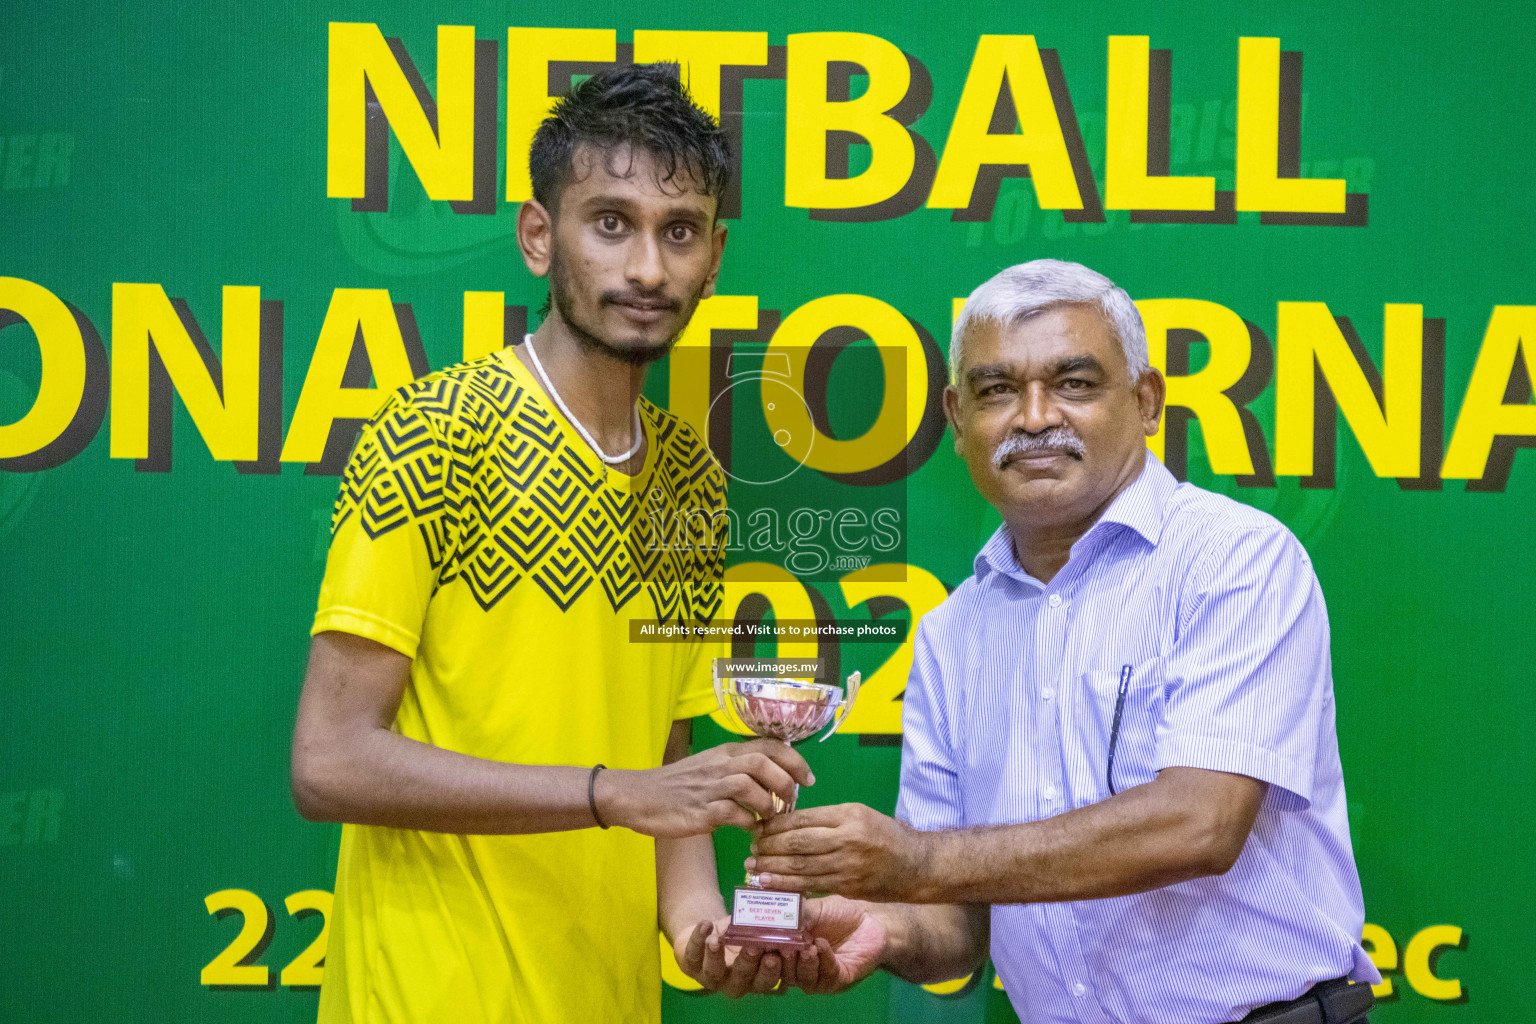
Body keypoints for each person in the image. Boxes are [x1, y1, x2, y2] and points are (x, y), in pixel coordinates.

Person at [290, 63, 810, 1024]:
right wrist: (613, 794)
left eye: (679, 231)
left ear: (715, 256)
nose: (648, 268)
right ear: (540, 237)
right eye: (610, 222)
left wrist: (707, 938)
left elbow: (669, 783)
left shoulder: (691, 482)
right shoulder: (431, 431)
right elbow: (330, 761)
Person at [745, 259, 1382, 1023]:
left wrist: (918, 863)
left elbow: (1200, 823)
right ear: (956, 420)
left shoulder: (1234, 560)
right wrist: (880, 928)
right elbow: (960, 921)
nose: (1034, 416)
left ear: (1145, 401)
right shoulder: (954, 634)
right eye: (997, 390)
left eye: (1074, 384)